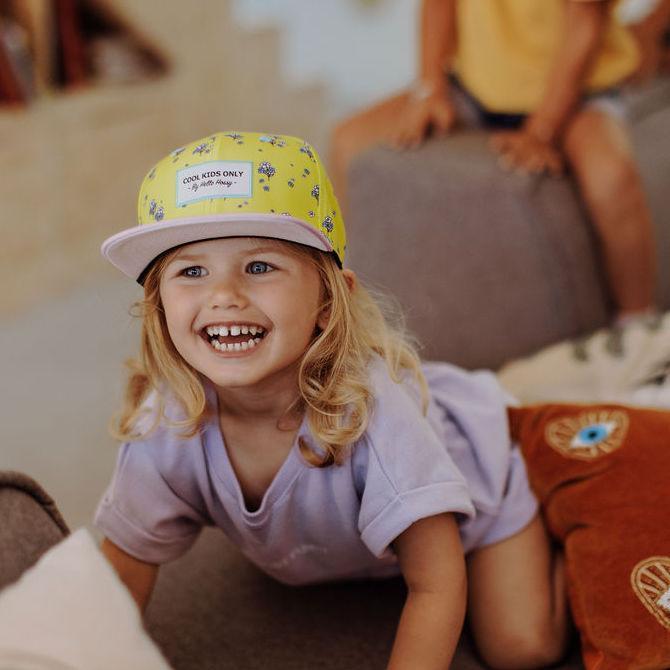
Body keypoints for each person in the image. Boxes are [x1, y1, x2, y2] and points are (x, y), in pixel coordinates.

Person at [96, 131, 568, 669]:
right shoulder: (166, 419)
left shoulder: (372, 412)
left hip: (476, 489)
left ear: (329, 297)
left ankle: (554, 495)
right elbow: (122, 572)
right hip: (335, 552)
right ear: (158, 307)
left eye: (259, 266)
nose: (223, 295)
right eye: (192, 271)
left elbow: (436, 582)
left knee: (524, 648)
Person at [330, 0, 658, 326]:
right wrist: (430, 89)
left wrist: (542, 130)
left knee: (611, 177)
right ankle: (339, 296)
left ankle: (637, 320)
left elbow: (584, 21)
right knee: (347, 142)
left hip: (579, 93)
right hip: (475, 88)